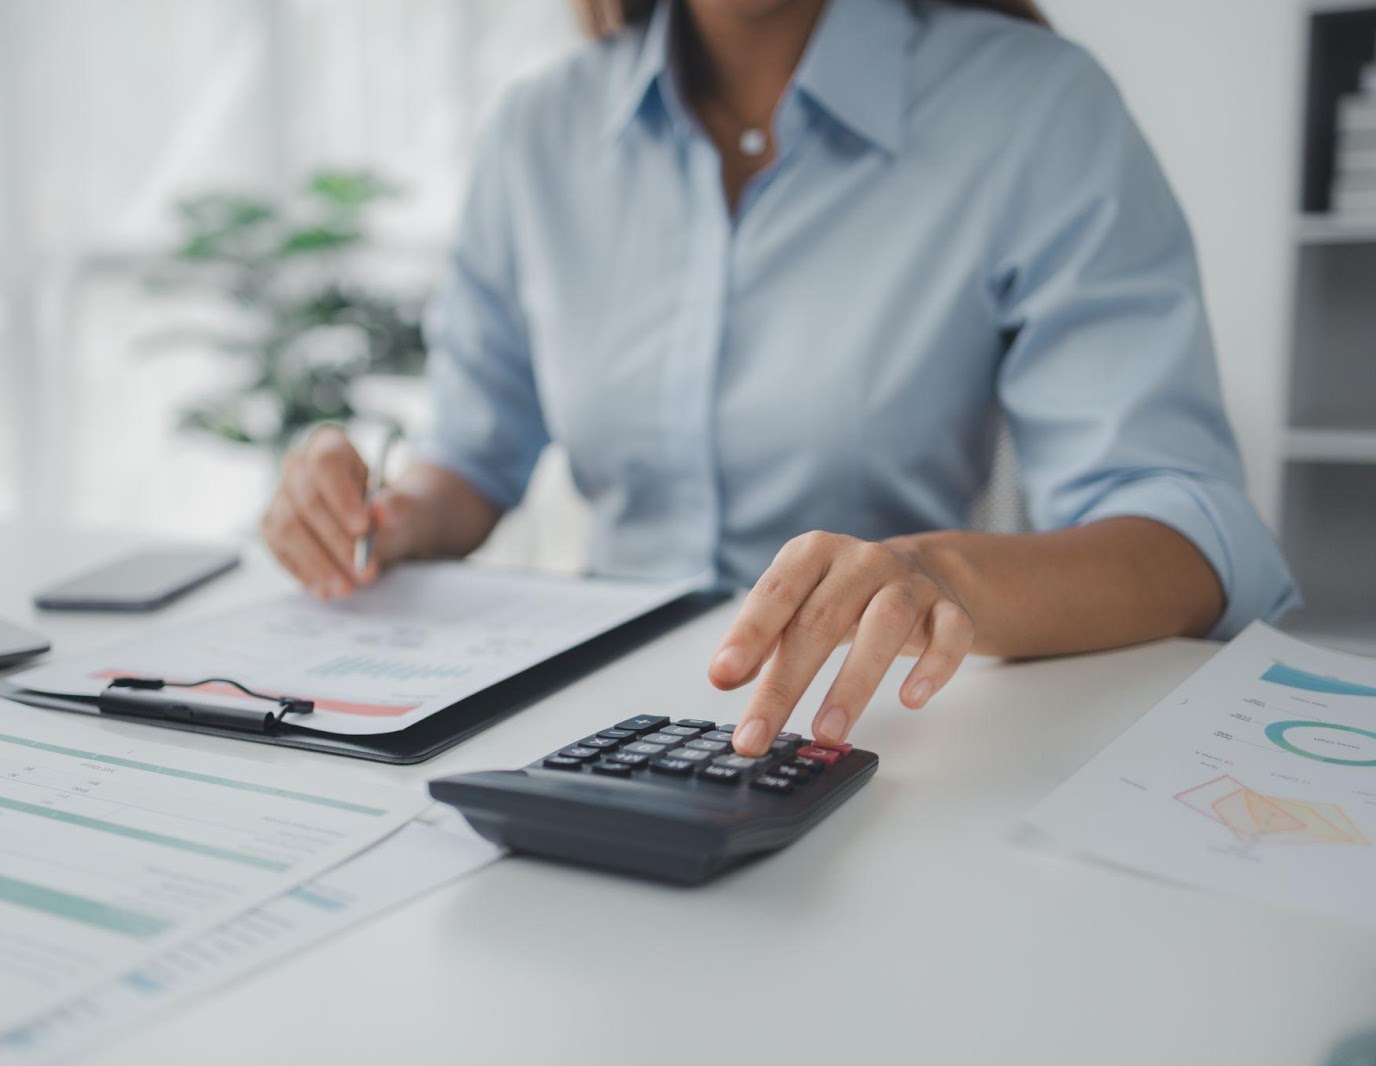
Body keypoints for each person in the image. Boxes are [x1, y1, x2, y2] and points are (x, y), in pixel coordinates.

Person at [261, 0, 1299, 758]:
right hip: (581, 737)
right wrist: (376, 515)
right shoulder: (540, 128)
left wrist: (942, 576)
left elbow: (1189, 539)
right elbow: (470, 463)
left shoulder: (1032, 106)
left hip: (885, 740)